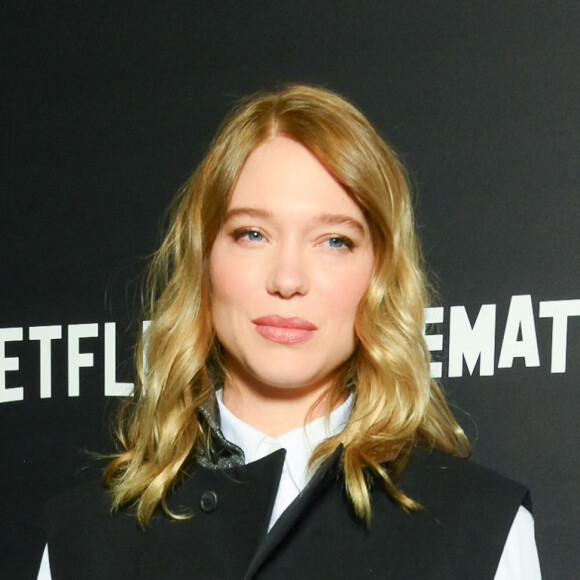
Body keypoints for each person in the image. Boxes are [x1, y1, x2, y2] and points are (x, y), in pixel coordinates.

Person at [38, 84, 541, 579]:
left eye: (334, 241)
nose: (287, 279)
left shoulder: (481, 528)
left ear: (380, 271)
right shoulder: (83, 540)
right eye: (252, 234)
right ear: (205, 258)